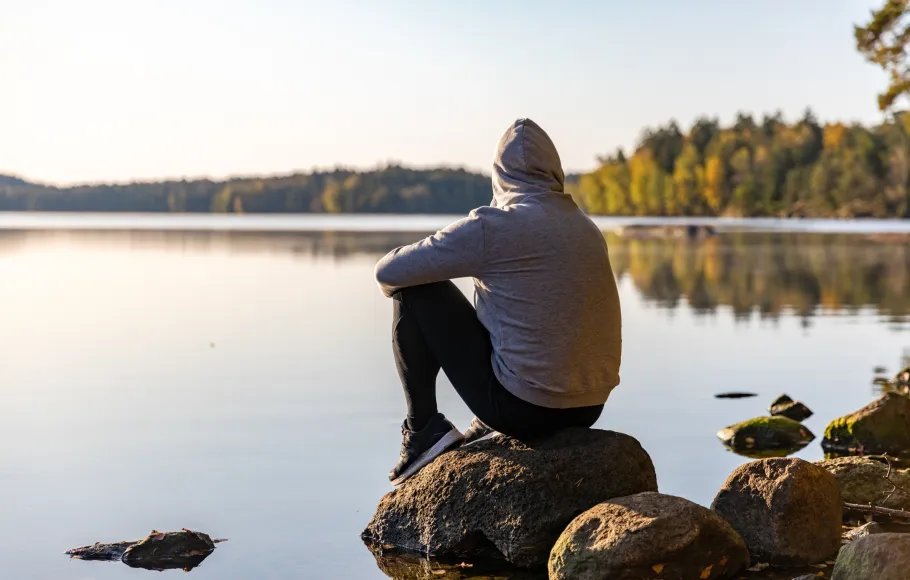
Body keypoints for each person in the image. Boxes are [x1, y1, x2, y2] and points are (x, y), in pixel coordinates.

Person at [374, 118, 622, 486]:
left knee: (416, 292)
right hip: (589, 407)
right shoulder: (585, 227)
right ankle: (482, 419)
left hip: (524, 409)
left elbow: (388, 272)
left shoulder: (494, 226)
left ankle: (423, 429)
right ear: (555, 171)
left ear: (500, 174)